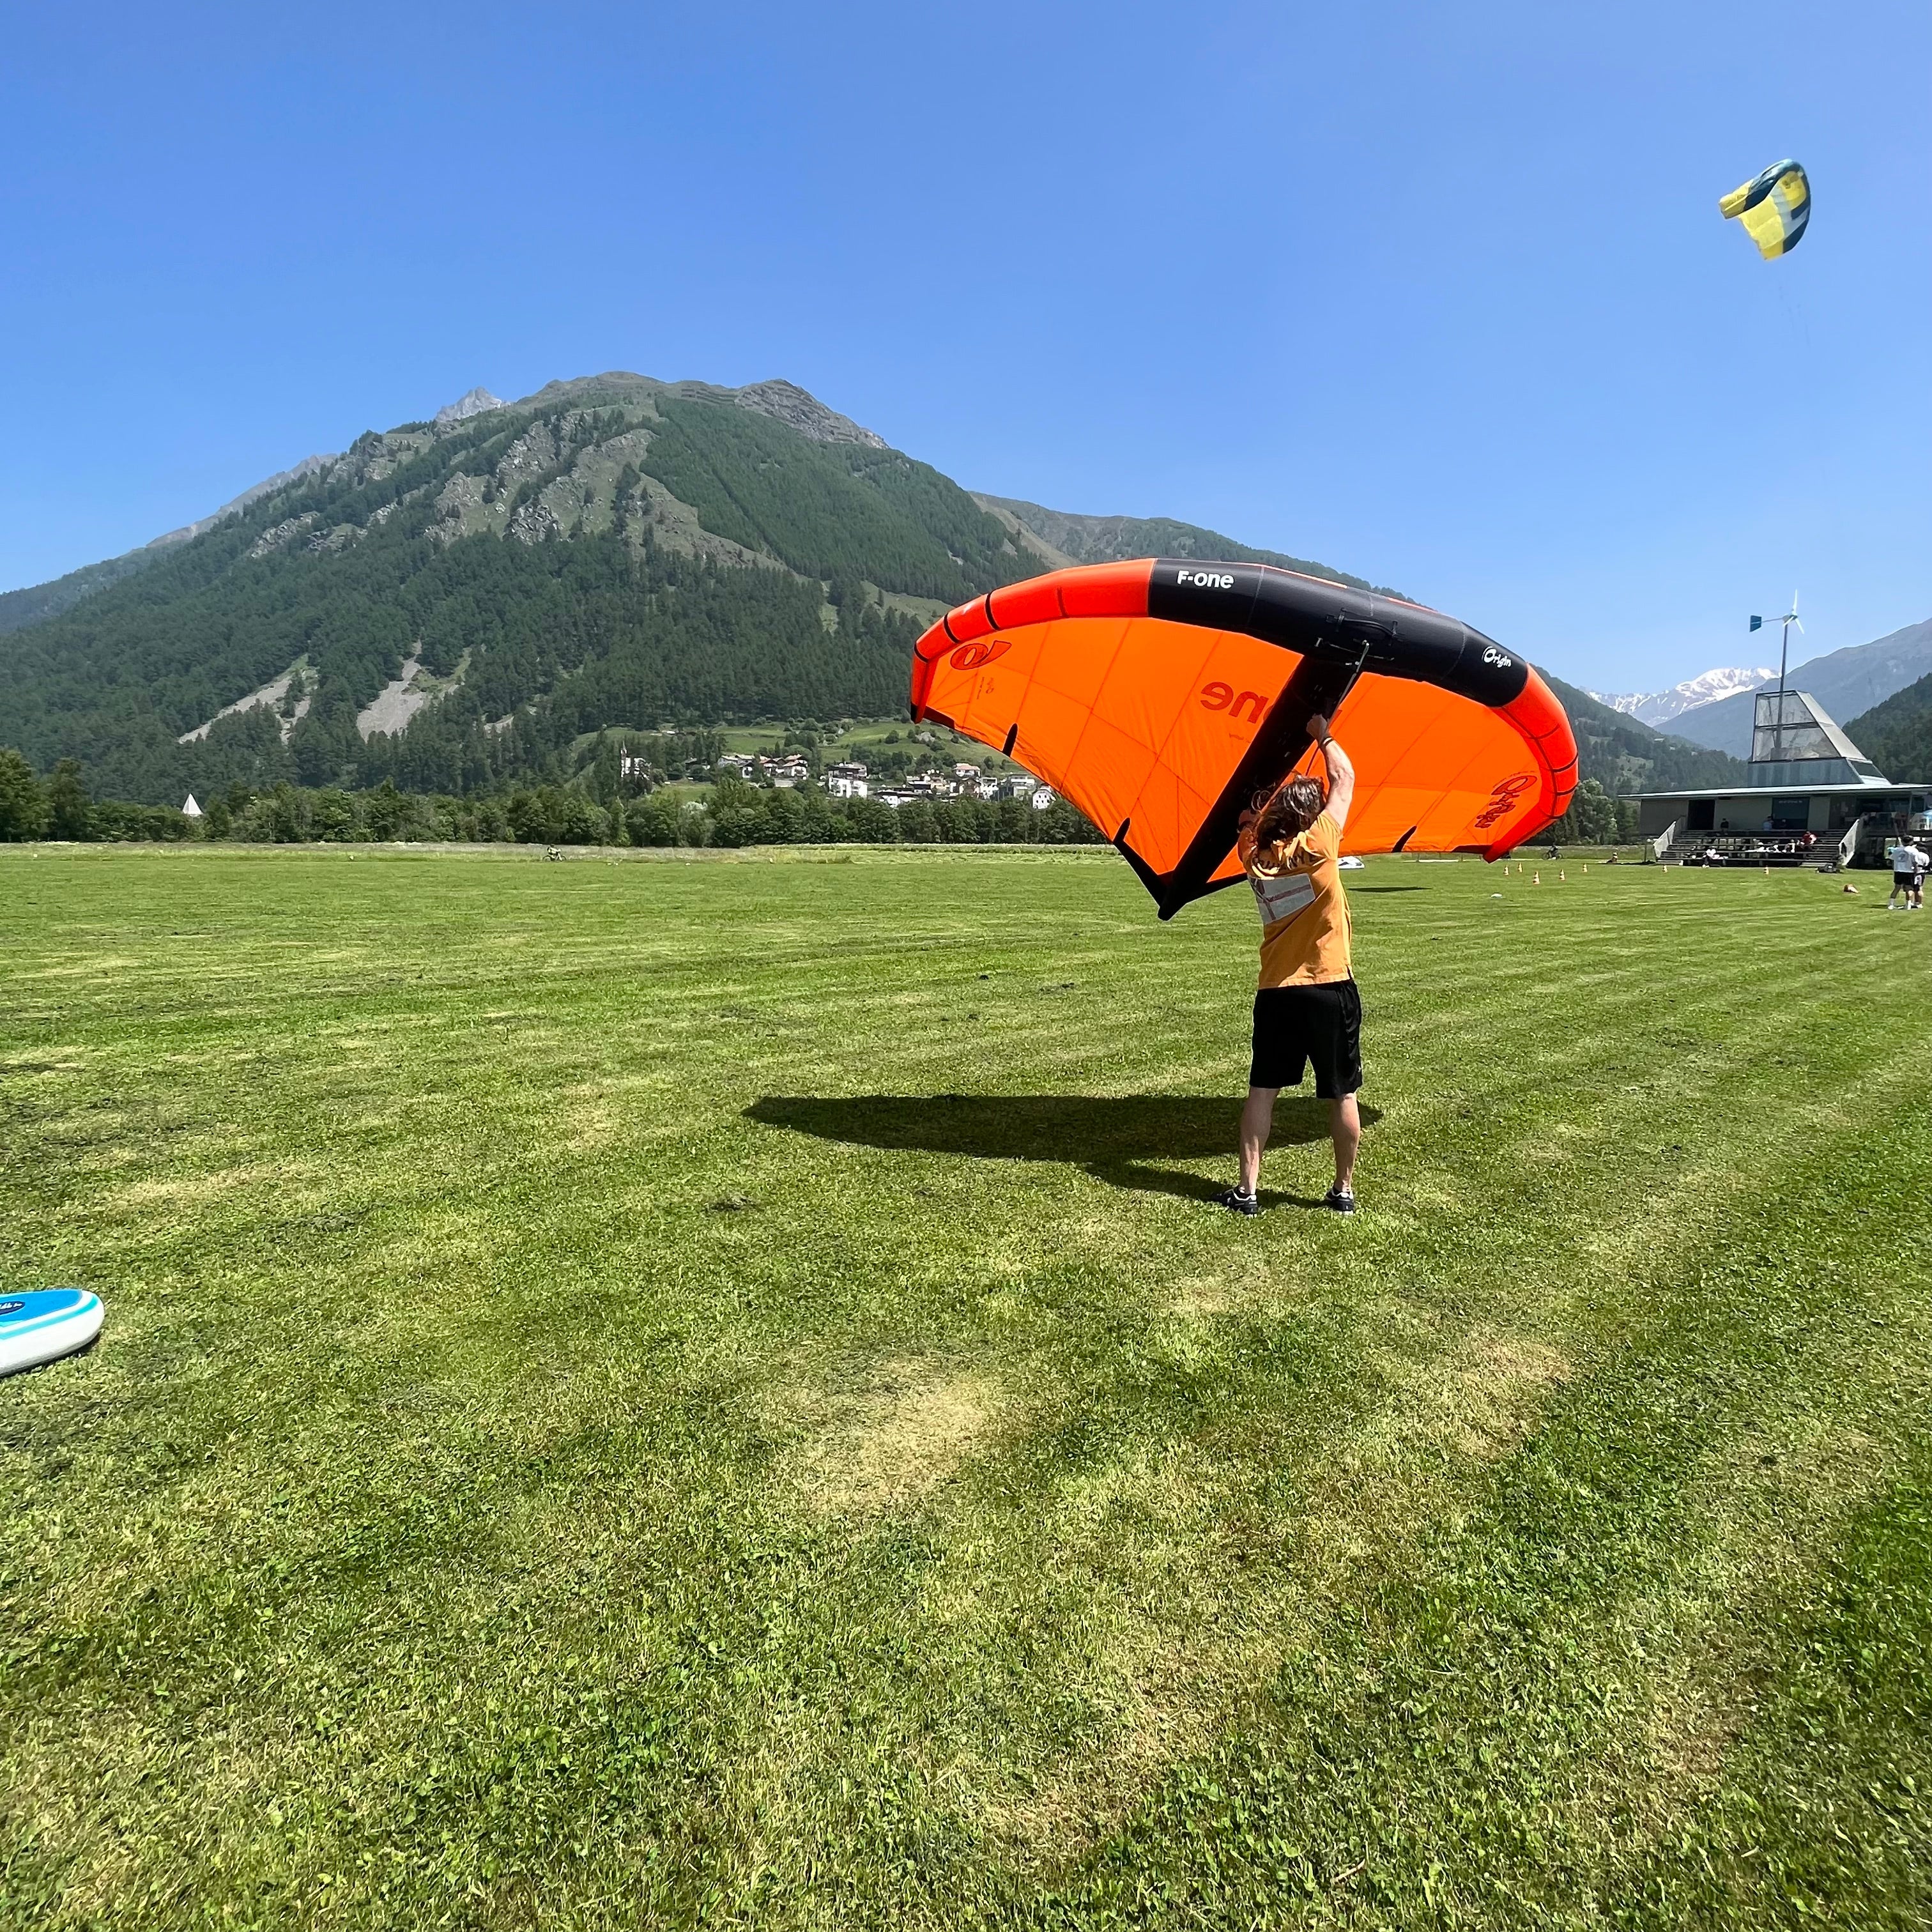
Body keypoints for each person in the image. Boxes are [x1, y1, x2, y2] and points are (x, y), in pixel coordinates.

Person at [1218, 714, 1361, 1218]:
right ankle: (1342, 1189)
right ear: (1312, 817)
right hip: (1328, 984)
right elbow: (1345, 777)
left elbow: (1247, 822)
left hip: (1277, 990)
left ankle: (1247, 1191)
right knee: (1341, 1094)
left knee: (1263, 1091)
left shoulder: (1251, 856)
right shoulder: (1320, 845)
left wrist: (1260, 808)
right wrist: (1321, 733)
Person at [1888, 839, 1921, 909]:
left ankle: (1891, 904)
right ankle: (1908, 905)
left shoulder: (1897, 850)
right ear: (1911, 842)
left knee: (1897, 888)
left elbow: (1892, 858)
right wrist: (1916, 870)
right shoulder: (1913, 850)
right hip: (1909, 871)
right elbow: (1915, 862)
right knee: (1909, 889)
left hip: (1898, 871)